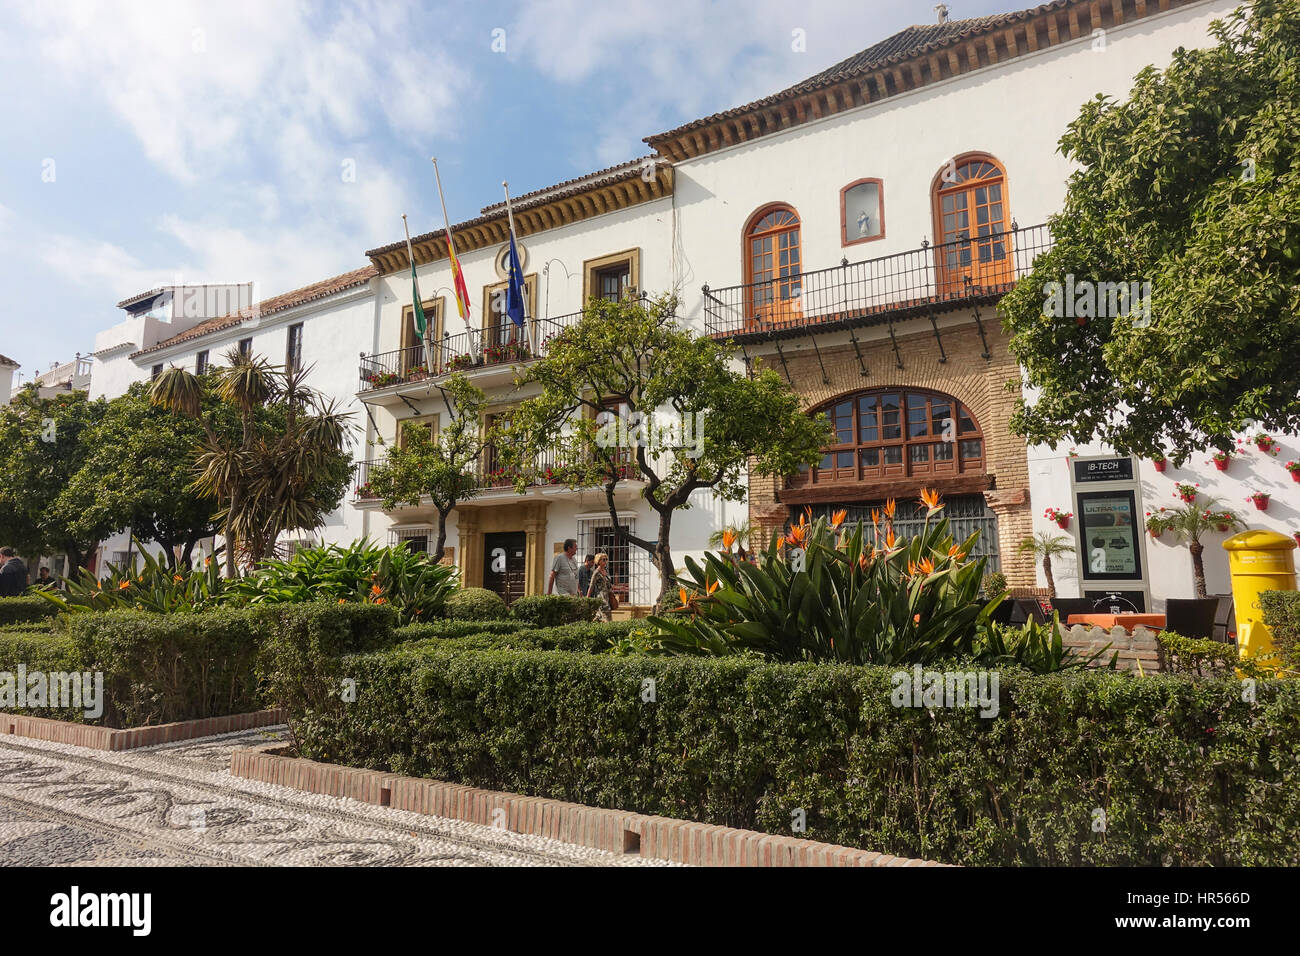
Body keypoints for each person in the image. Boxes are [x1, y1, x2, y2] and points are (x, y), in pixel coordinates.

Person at [586, 552, 613, 622]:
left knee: (599, 616)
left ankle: (593, 623)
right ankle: (610, 628)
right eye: (603, 559)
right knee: (607, 615)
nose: (606, 561)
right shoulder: (596, 573)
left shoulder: (606, 571)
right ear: (598, 561)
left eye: (606, 559)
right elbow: (591, 586)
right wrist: (587, 599)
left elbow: (609, 583)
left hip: (608, 596)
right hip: (601, 597)